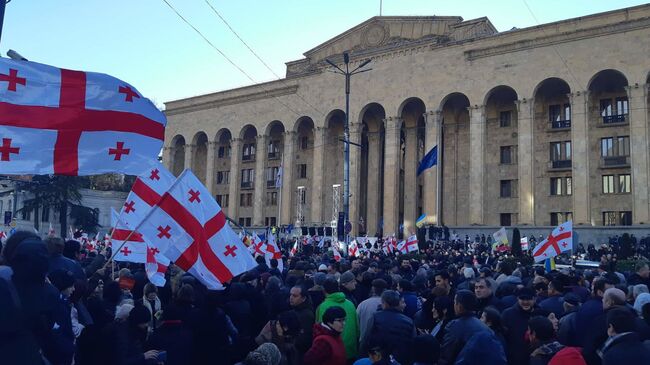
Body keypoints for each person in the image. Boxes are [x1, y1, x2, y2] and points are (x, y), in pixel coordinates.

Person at [439, 290, 491, 365]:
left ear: (459, 306)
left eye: (454, 302)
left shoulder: (455, 325)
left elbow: (446, 355)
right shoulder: (485, 327)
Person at [365, 290, 416, 364]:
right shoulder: (408, 321)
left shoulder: (375, 317)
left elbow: (366, 339)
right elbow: (412, 344)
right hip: (400, 360)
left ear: (385, 303)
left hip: (378, 360)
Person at [315, 277, 359, 359]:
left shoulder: (323, 306)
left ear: (324, 291)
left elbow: (320, 330)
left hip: (333, 352)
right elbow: (357, 328)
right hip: (350, 350)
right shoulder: (350, 304)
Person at [501, 287, 538, 365]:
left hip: (536, 358)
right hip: (514, 358)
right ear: (517, 299)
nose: (525, 302)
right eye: (522, 299)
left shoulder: (540, 313)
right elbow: (502, 337)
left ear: (534, 299)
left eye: (528, 299)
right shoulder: (507, 314)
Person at [357, 278, 388, 353]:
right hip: (383, 344)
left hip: (364, 343)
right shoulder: (388, 304)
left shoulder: (363, 304)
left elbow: (356, 323)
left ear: (373, 289)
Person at [288, 285, 314, 356]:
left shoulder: (306, 315)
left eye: (295, 296)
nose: (291, 298)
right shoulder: (295, 310)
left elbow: (304, 339)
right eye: (290, 295)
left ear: (303, 298)